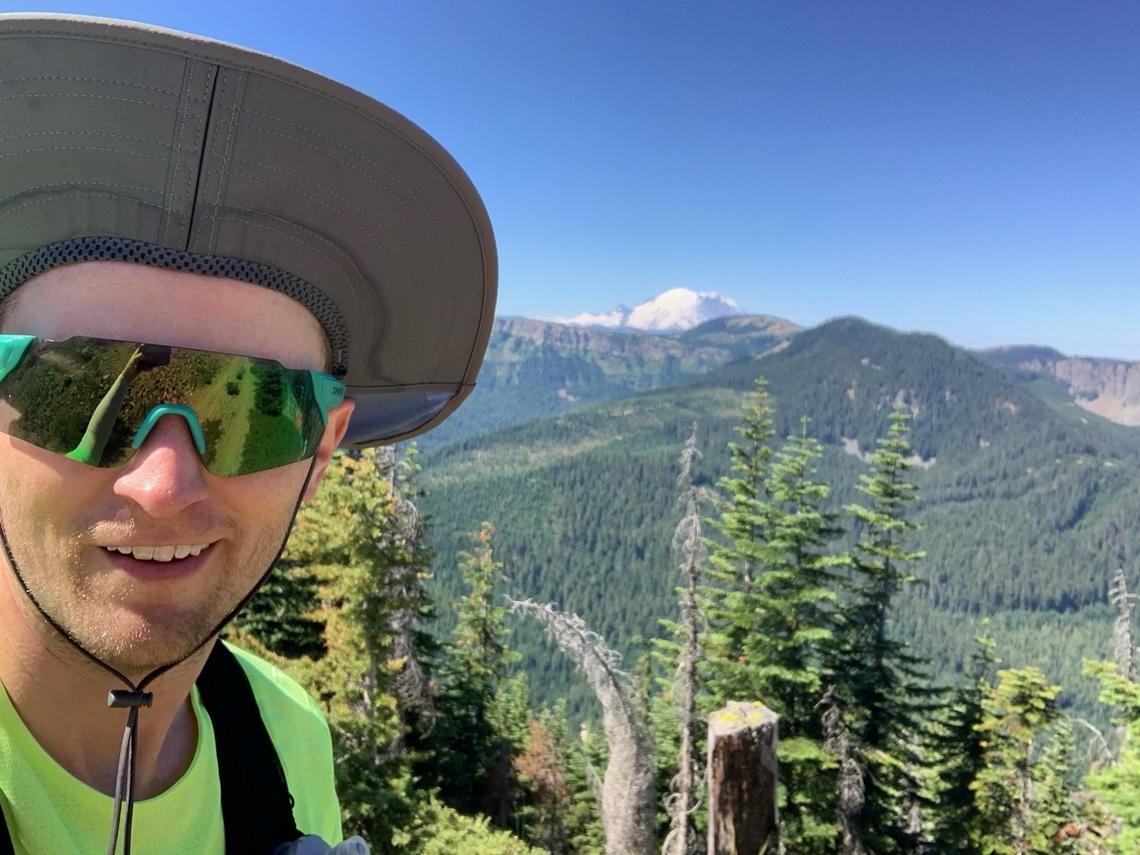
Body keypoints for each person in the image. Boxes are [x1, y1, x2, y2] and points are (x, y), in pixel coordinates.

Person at [0, 13, 496, 855]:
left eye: (254, 408)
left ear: (322, 449)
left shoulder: (287, 739)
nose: (162, 484)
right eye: (80, 386)